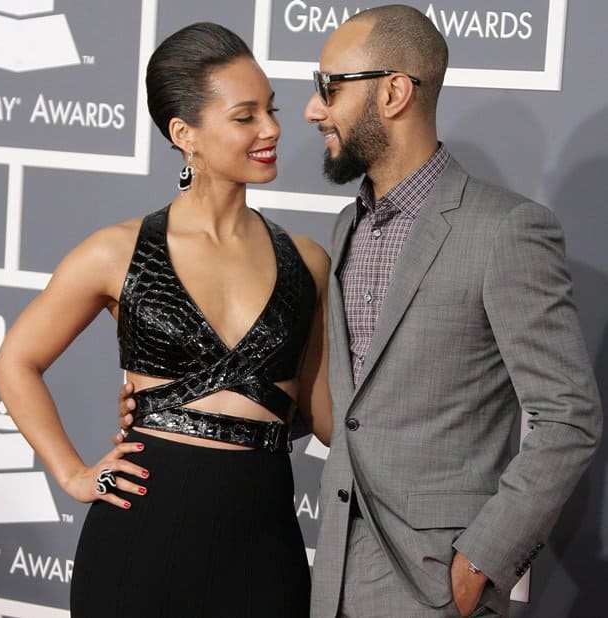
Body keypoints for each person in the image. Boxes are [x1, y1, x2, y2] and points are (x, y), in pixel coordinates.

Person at [116, 6, 602, 618]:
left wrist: (484, 558)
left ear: (394, 92)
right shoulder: (347, 228)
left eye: (330, 88)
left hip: (436, 585)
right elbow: (344, 409)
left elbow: (569, 416)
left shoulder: (504, 230)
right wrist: (182, 405)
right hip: (330, 579)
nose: (312, 110)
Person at [0, 22, 331, 618]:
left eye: (271, 111)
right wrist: (73, 475)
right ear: (185, 134)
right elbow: (16, 362)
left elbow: (321, 414)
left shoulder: (308, 261)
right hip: (139, 533)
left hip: (264, 545)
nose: (272, 129)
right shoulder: (115, 251)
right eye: (246, 116)